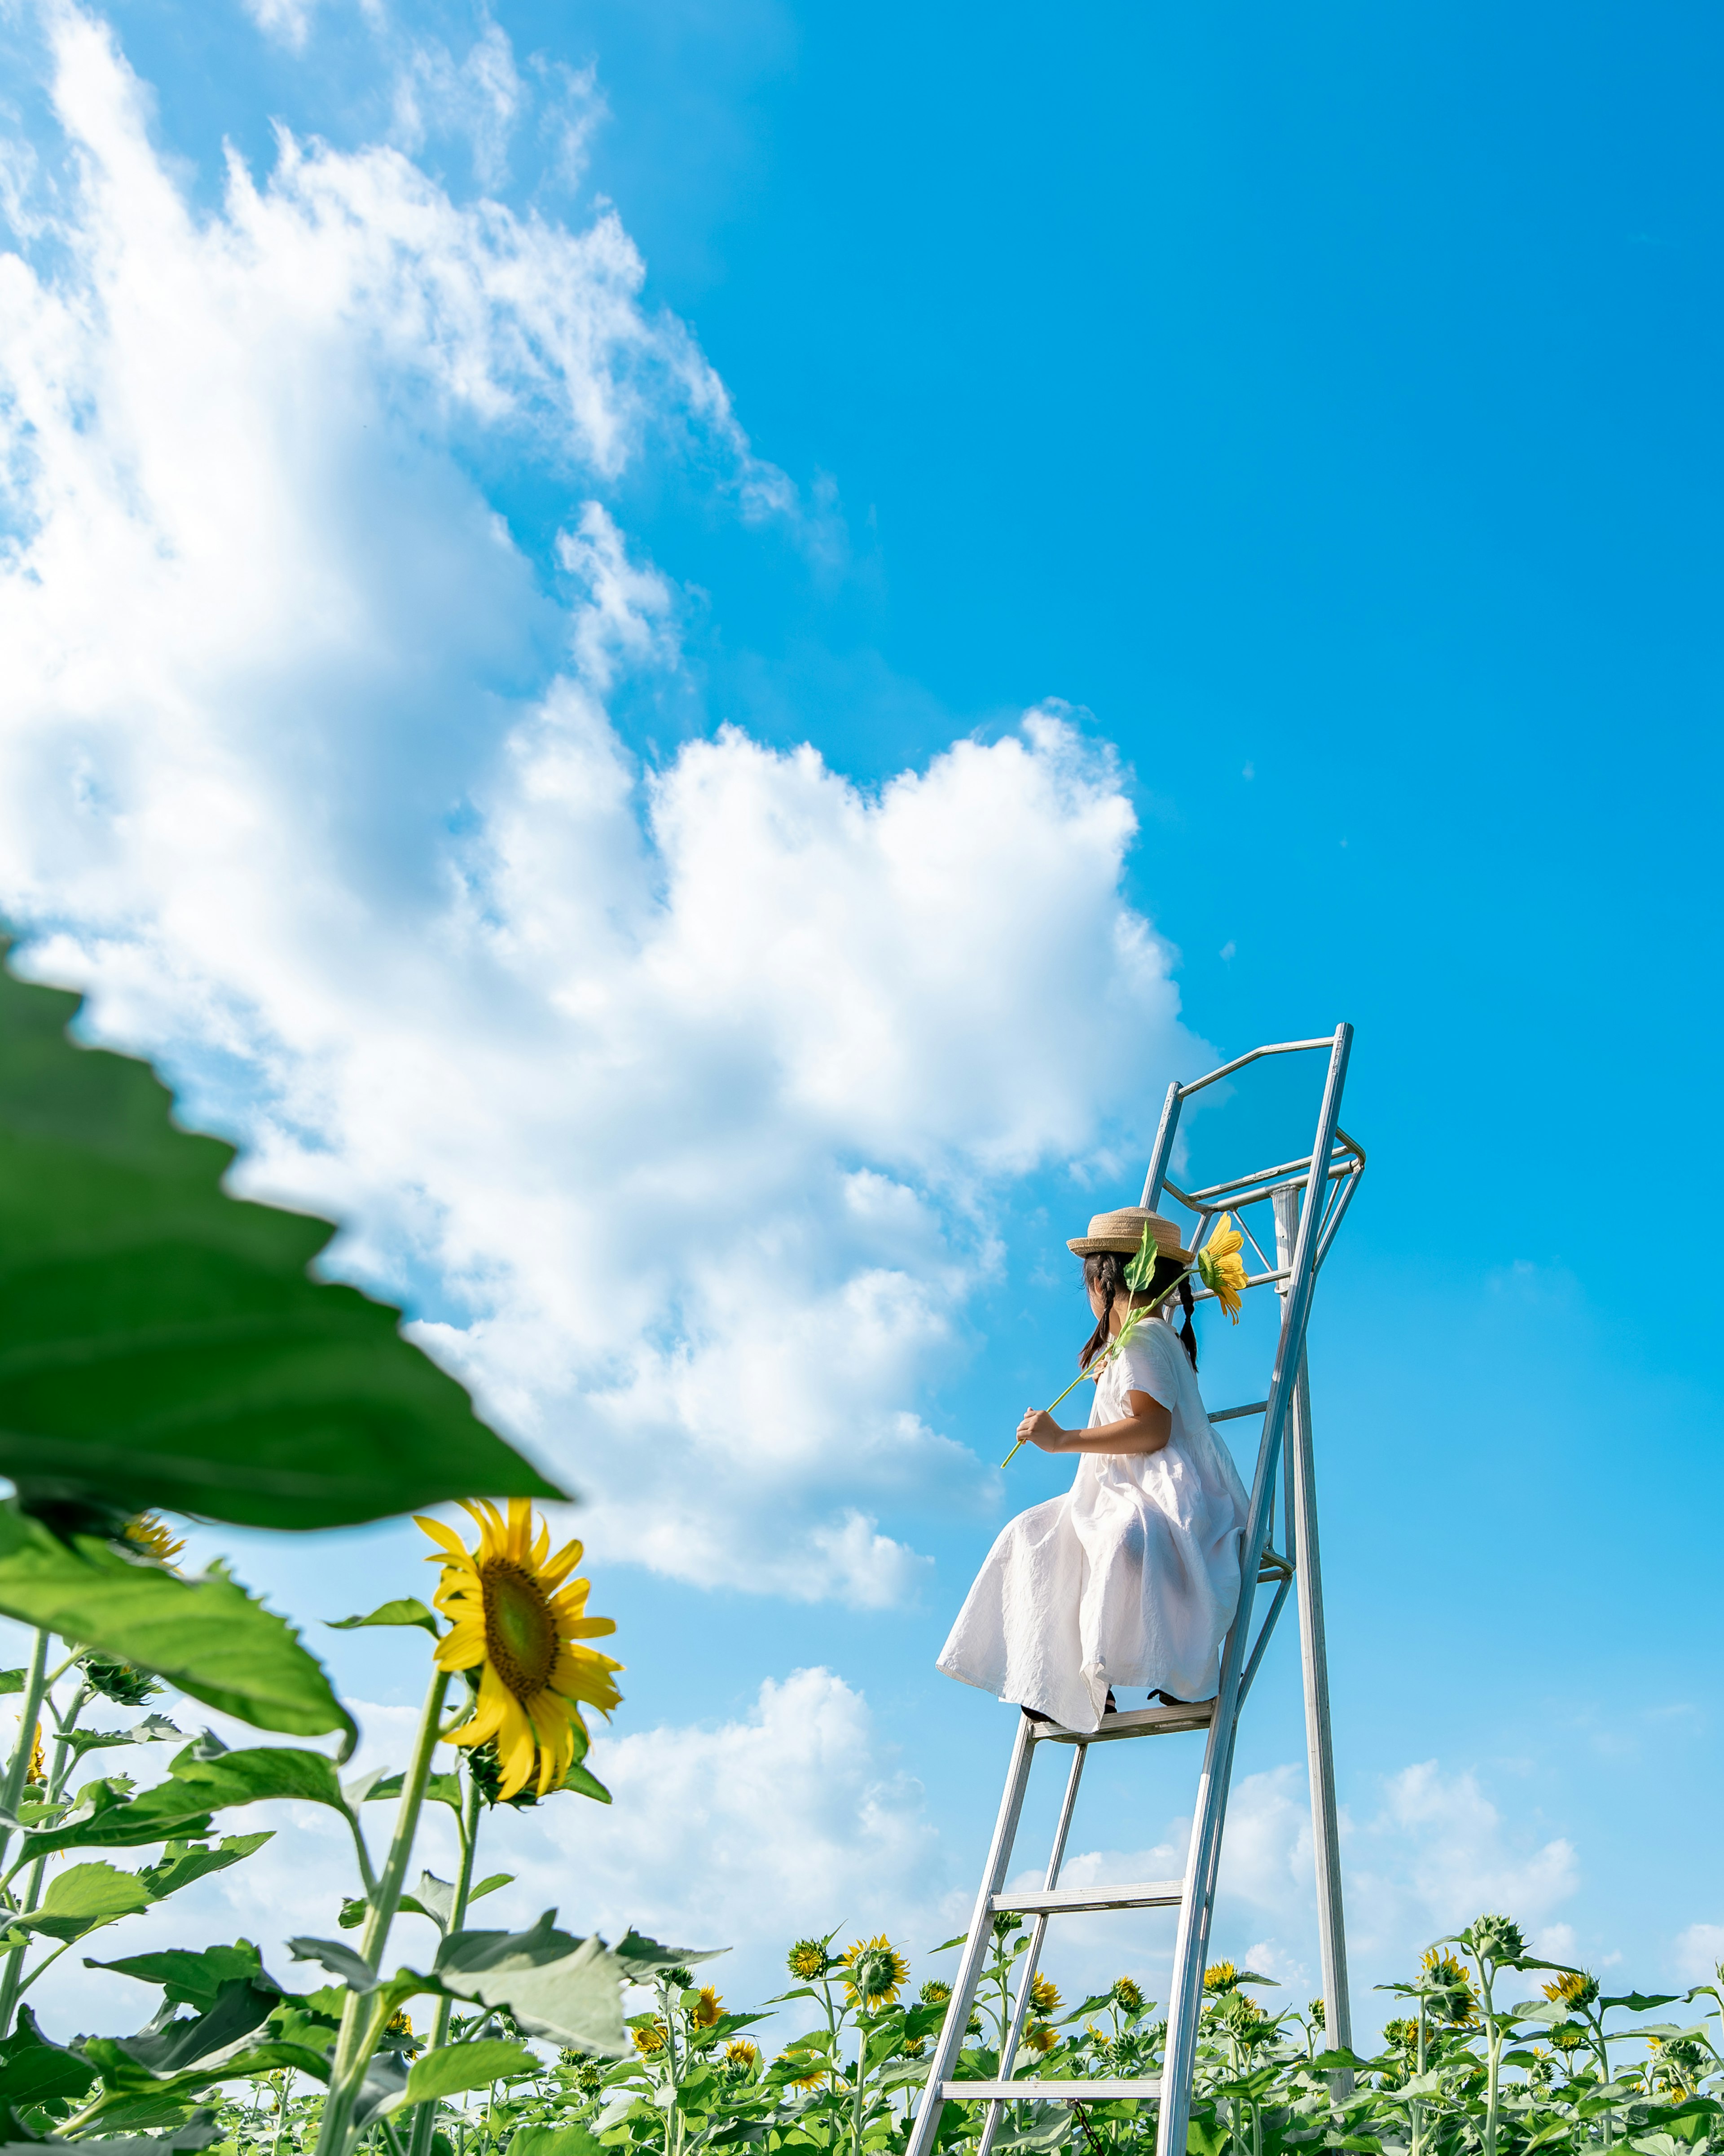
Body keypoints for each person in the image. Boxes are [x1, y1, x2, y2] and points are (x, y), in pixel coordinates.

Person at [936, 1206, 1250, 1733]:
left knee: (1103, 1537)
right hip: (1145, 1484)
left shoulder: (1144, 1340)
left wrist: (1060, 1440)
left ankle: (1089, 1682)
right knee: (1032, 1533)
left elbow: (1152, 1430)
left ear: (1105, 1280)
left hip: (1162, 1492)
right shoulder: (1141, 1339)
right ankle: (1069, 1683)